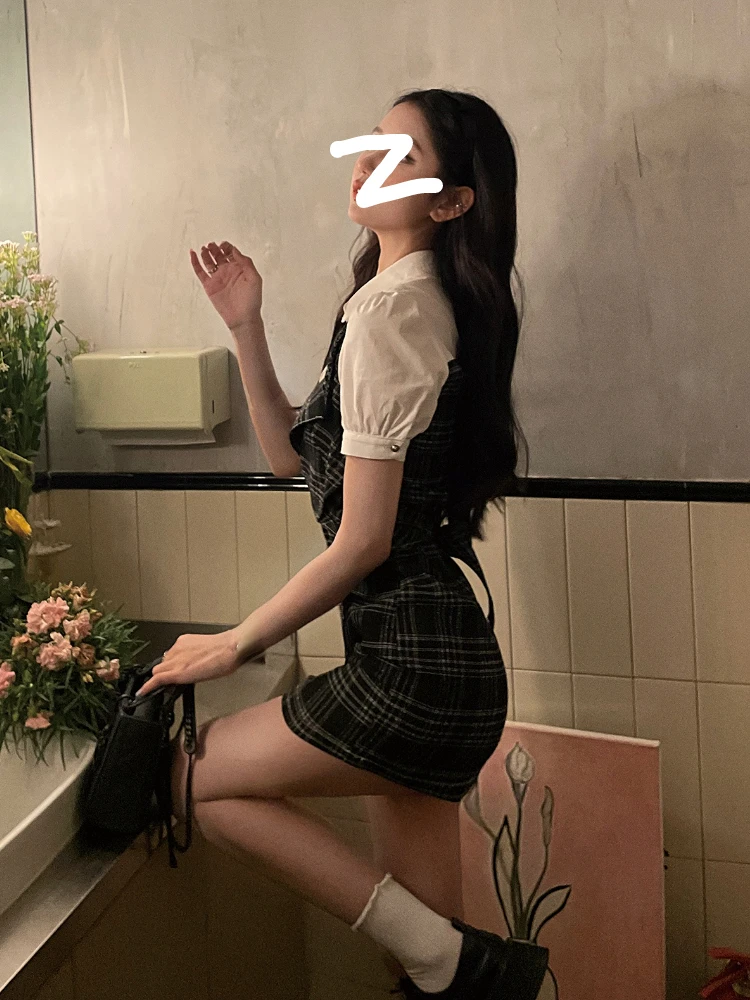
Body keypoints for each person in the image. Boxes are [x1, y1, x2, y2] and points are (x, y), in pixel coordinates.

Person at [137, 87, 546, 999]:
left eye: (402, 154)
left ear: (453, 202)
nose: (368, 162)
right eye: (372, 143)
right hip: (430, 659)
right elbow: (292, 457)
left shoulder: (397, 311)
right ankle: (458, 964)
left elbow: (361, 542)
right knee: (423, 964)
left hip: (412, 666)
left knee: (190, 775)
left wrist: (234, 643)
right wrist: (245, 325)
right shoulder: (395, 302)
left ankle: (461, 961)